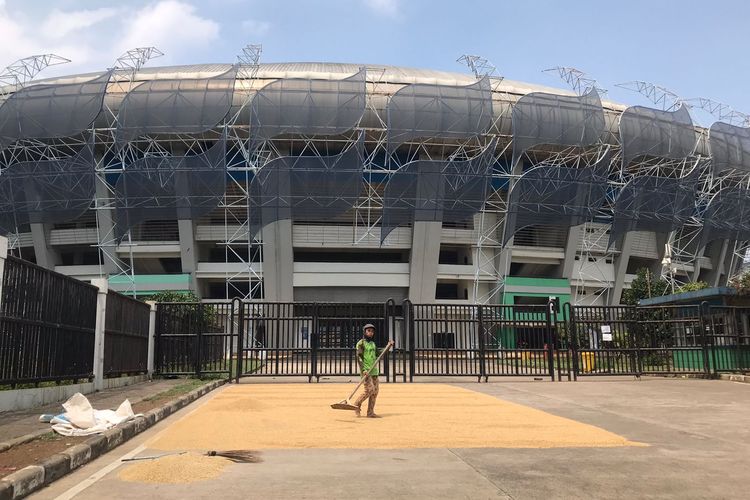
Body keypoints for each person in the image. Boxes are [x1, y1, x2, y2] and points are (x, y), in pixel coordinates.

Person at [353, 323, 394, 418]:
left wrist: (388, 347)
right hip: (366, 371)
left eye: (372, 331)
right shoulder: (361, 343)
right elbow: (359, 358)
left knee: (375, 392)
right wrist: (363, 370)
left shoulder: (373, 344)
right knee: (369, 390)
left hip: (374, 371)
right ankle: (357, 404)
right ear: (364, 332)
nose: (371, 333)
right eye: (368, 331)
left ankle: (370, 412)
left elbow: (379, 353)